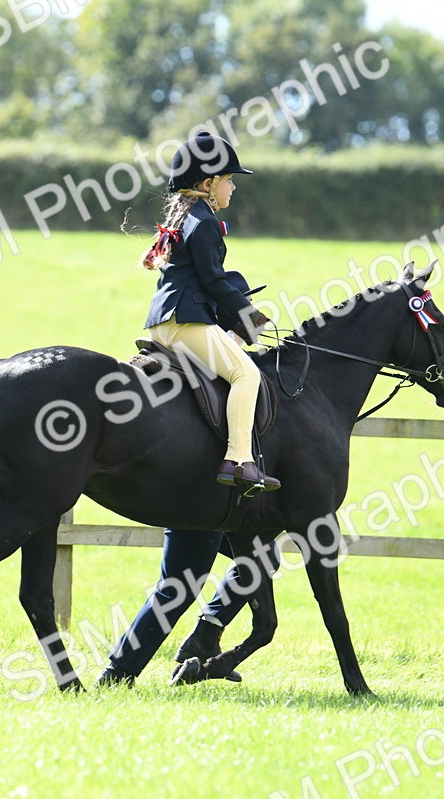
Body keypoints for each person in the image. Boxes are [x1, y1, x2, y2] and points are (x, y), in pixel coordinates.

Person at [141, 131, 280, 491]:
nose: (233, 187)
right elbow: (214, 281)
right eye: (229, 180)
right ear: (208, 184)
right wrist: (251, 315)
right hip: (185, 321)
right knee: (246, 374)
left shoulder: (187, 216)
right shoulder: (203, 223)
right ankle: (239, 460)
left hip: (164, 322)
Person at [97, 528, 282, 686]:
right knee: (177, 588)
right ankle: (117, 673)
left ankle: (205, 637)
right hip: (202, 507)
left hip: (218, 509)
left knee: (263, 555)